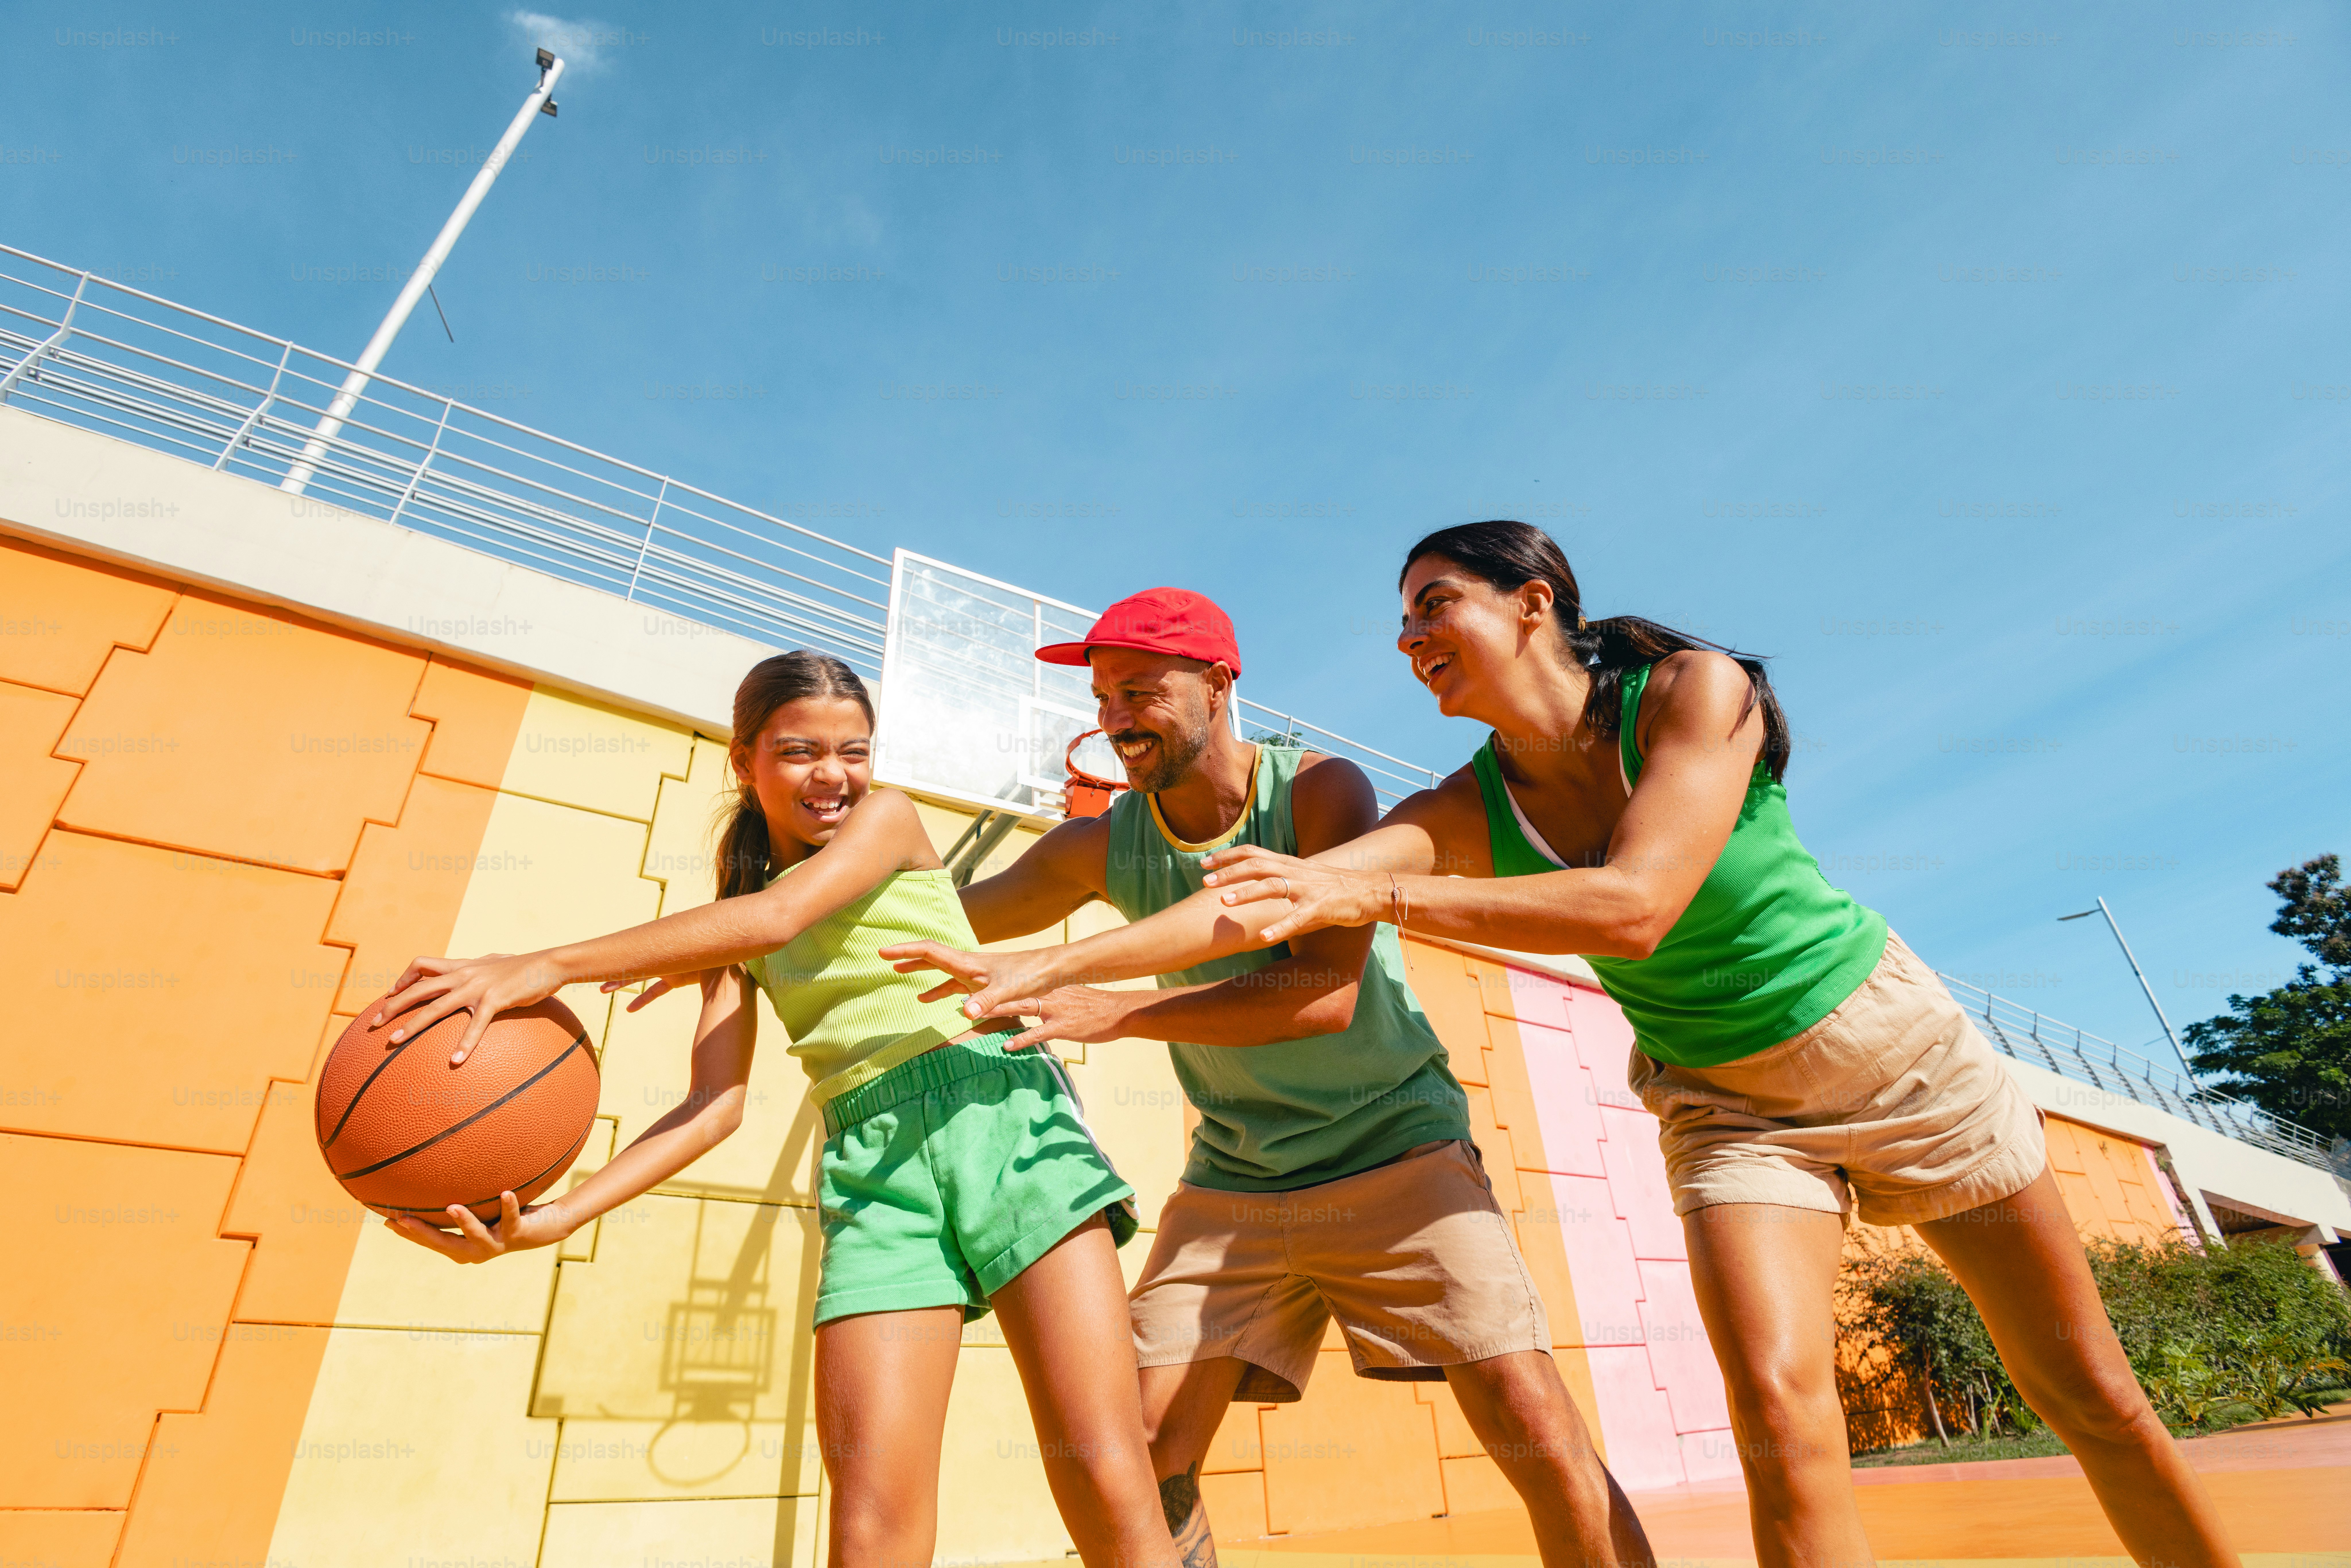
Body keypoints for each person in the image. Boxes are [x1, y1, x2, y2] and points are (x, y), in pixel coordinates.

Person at [913, 524, 2245, 1568]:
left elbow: (1634, 901)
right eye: (1399, 623)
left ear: (1533, 598)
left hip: (1891, 1057)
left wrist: (1360, 890)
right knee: (1782, 1420)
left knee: (2086, 1395)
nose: (1408, 638)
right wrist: (1046, 969)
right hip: (1729, 1107)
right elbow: (1249, 901)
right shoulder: (1460, 802)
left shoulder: (1691, 690)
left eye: (1433, 604)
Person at [882, 587, 1655, 1568]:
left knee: (1533, 1431)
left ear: (1217, 684)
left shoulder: (1323, 793)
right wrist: (782, 898)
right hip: (1238, 1175)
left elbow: (1323, 990)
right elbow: (944, 922)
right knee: (1144, 1455)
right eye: (1104, 695)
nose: (1114, 716)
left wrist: (1115, 1011)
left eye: (1139, 691)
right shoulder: (1101, 845)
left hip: (1395, 1145)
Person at [366, 651, 1174, 1568]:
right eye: (800, 753)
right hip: (874, 1170)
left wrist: (545, 963)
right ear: (744, 760)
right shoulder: (732, 919)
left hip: (1002, 1115)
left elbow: (783, 918)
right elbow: (713, 1107)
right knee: (870, 1526)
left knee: (1109, 1479)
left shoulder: (887, 821)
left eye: (853, 750)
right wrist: (553, 1219)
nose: (834, 775)